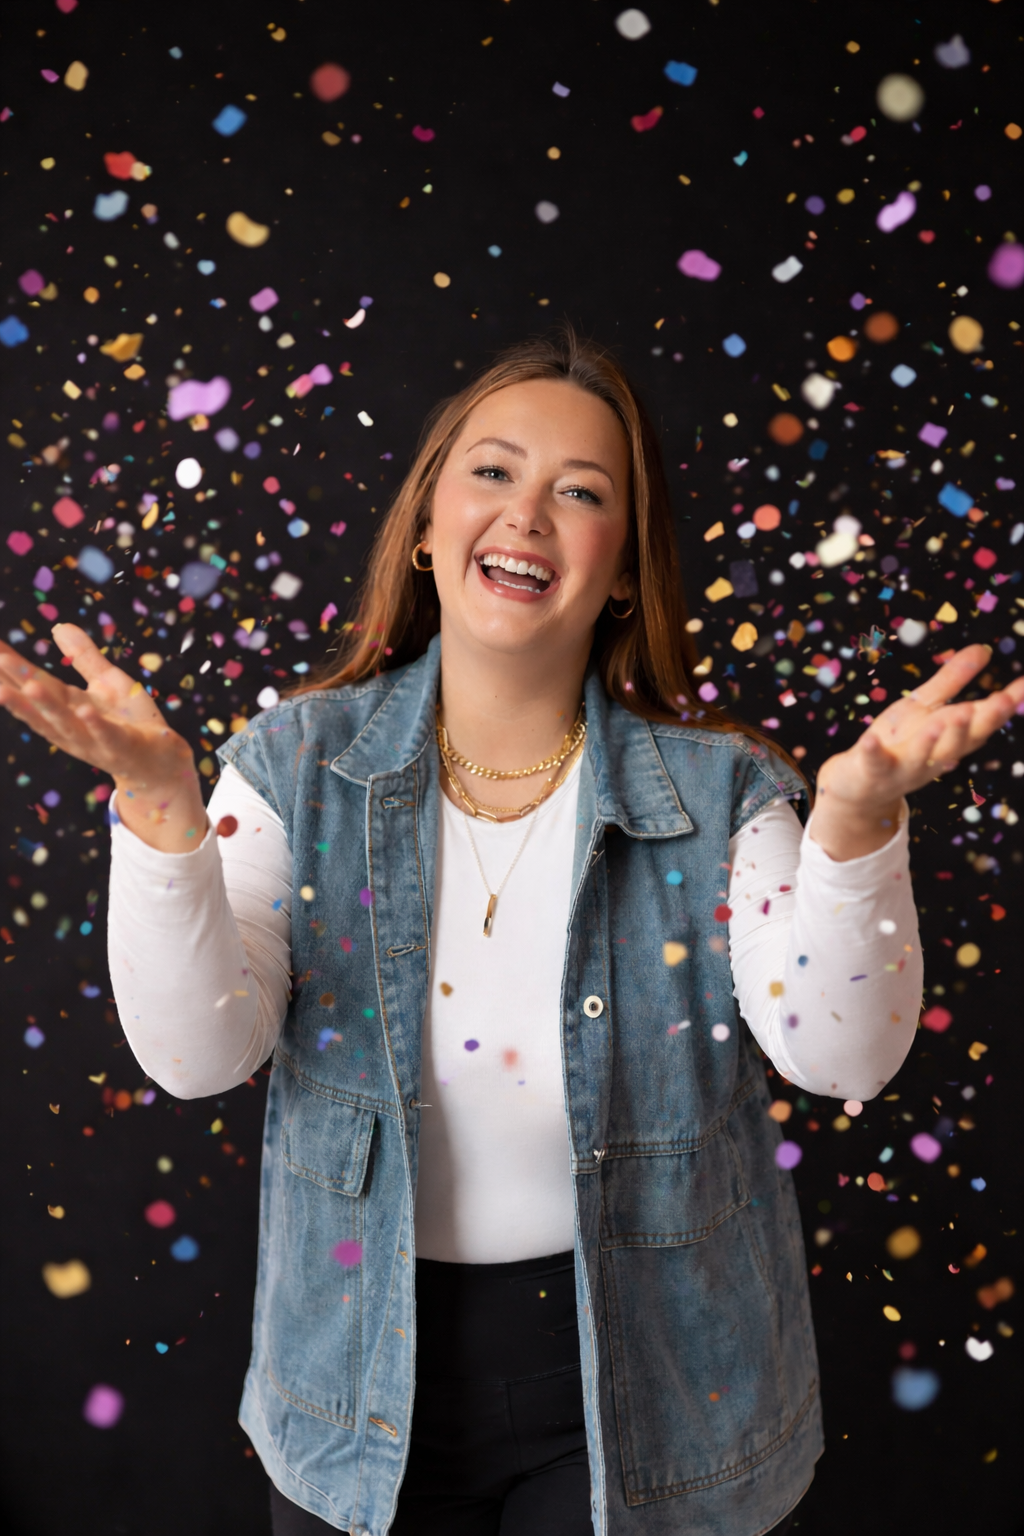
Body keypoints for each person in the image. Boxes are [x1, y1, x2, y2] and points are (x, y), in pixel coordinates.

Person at [1, 330, 1019, 1536]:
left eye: (580, 492)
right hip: (353, 1378)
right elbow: (195, 1058)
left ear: (626, 570)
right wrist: (165, 812)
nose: (527, 511)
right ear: (427, 530)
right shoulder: (289, 766)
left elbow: (843, 1058)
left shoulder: (725, 795)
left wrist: (855, 827)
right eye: (492, 472)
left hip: (656, 1392)